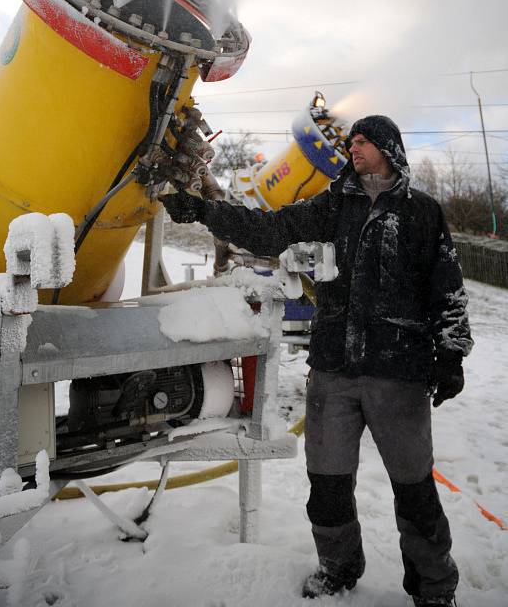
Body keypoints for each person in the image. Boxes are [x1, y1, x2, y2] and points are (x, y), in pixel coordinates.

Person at [161, 115, 472, 607]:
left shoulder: (422, 212)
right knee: (326, 483)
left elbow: (447, 288)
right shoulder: (333, 205)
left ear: (389, 148)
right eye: (353, 141)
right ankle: (339, 567)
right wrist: (203, 211)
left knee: (414, 488)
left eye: (365, 141)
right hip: (333, 369)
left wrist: (451, 352)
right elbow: (272, 230)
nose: (355, 147)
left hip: (400, 372)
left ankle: (434, 587)